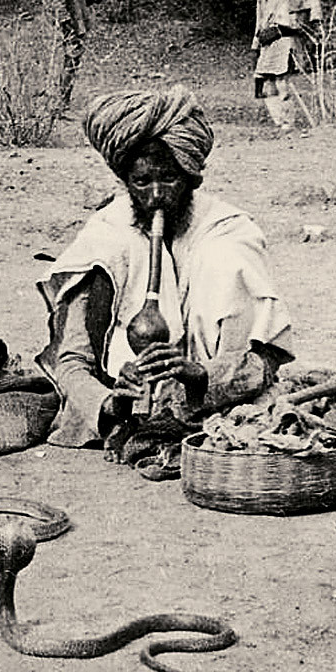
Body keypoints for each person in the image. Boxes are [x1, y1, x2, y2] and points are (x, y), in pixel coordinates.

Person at [36, 85, 295, 476]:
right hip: (125, 411)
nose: (156, 195)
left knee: (221, 262)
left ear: (191, 178)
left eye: (170, 178)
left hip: (219, 405)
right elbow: (71, 362)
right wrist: (110, 401)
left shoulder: (231, 235)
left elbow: (267, 361)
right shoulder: (106, 239)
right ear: (125, 181)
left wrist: (201, 377)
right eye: (142, 182)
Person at [250, 0, 324, 133]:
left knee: (282, 82)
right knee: (266, 84)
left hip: (282, 38)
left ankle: (288, 124)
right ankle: (279, 123)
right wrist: (254, 47)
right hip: (266, 42)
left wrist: (315, 19)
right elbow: (259, 23)